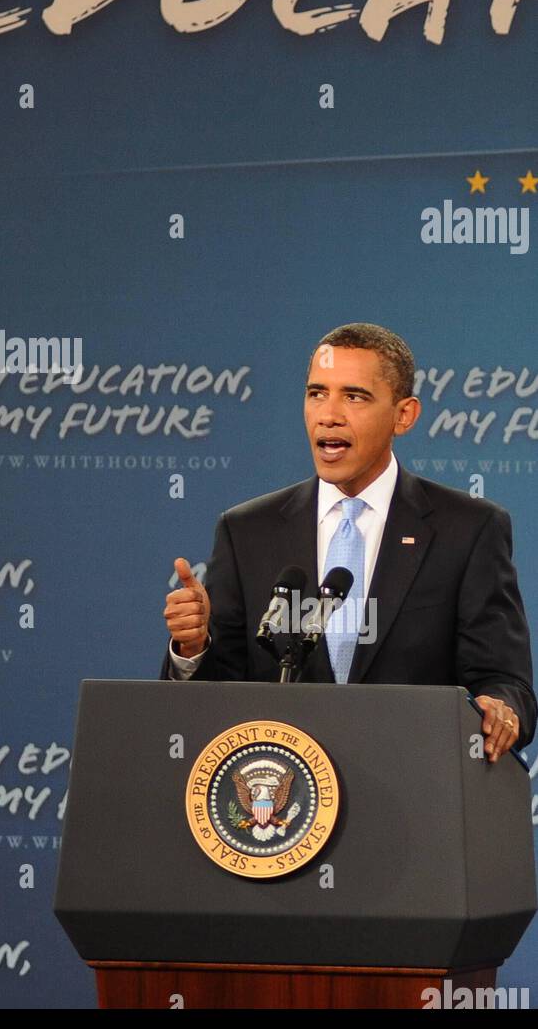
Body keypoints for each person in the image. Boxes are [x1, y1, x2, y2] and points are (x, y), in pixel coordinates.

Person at [160, 322, 536, 762]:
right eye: (316, 393)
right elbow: (210, 703)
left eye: (354, 397)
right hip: (283, 807)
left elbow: (505, 682)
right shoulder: (247, 531)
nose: (328, 414)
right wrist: (192, 648)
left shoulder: (469, 530)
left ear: (404, 415)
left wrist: (498, 708)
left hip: (416, 800)